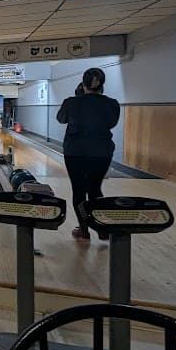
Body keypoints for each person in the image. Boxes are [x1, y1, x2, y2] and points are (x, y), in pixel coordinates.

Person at [57, 68, 120, 241]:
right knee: (95, 189)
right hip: (102, 152)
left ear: (83, 84)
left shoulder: (71, 102)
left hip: (75, 152)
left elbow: (61, 118)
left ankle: (84, 230)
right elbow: (112, 123)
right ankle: (102, 229)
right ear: (102, 86)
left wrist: (78, 102)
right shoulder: (112, 103)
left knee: (79, 191)